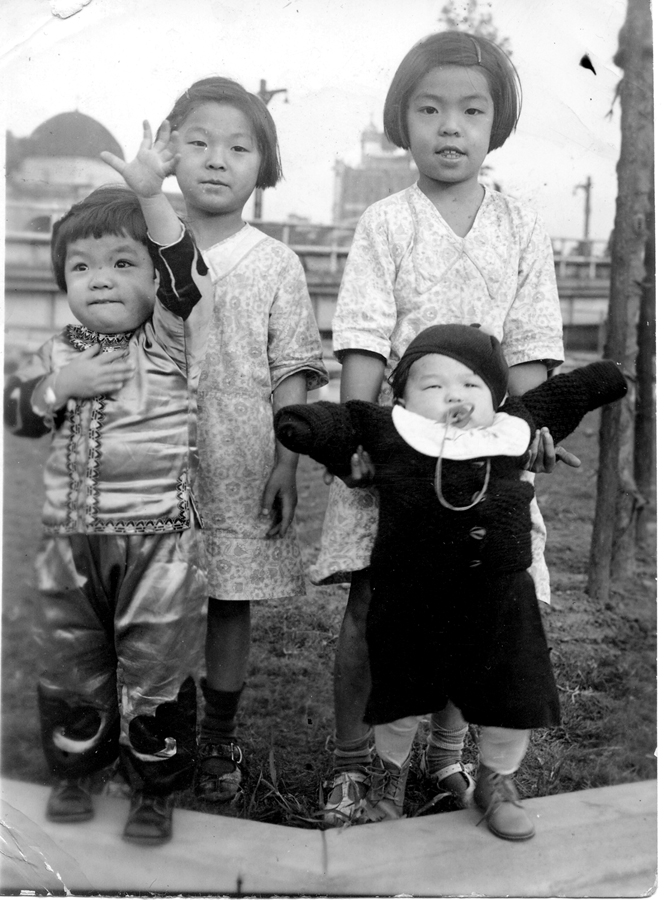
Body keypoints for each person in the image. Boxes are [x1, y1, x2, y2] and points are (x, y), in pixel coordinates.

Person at [310, 30, 581, 826]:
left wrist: (527, 432)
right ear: (404, 120)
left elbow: (532, 346)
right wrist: (358, 438)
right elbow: (360, 336)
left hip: (485, 460)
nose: (450, 126)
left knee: (480, 603)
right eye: (430, 109)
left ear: (495, 124)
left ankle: (451, 763)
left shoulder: (521, 223)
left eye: (471, 110)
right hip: (394, 454)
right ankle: (360, 771)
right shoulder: (385, 222)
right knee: (374, 604)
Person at [276, 323, 627, 840]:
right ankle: (387, 778)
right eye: (433, 386)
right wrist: (303, 427)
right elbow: (338, 421)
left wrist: (608, 377)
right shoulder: (390, 429)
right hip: (410, 590)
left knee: (510, 687)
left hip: (501, 594)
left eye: (470, 386)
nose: (453, 396)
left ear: (497, 398)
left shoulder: (517, 427)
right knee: (402, 684)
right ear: (403, 398)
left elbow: (566, 393)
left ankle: (496, 782)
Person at [4, 121, 212, 845]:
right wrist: (60, 385)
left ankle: (154, 788)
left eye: (124, 263)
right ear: (63, 283)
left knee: (155, 664)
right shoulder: (52, 351)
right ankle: (75, 772)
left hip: (155, 543)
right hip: (68, 542)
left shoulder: (170, 338)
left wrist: (153, 199)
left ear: (153, 281)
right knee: (69, 658)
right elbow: (17, 417)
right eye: (83, 267)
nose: (100, 278)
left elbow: (188, 274)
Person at [163, 77, 328, 803]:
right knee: (155, 598)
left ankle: (219, 739)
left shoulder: (276, 261)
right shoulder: (144, 241)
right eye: (198, 143)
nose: (216, 160)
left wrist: (288, 463)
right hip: (156, 457)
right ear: (170, 150)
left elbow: (293, 367)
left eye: (238, 147)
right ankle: (158, 734)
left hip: (242, 455)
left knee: (228, 599)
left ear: (264, 164)